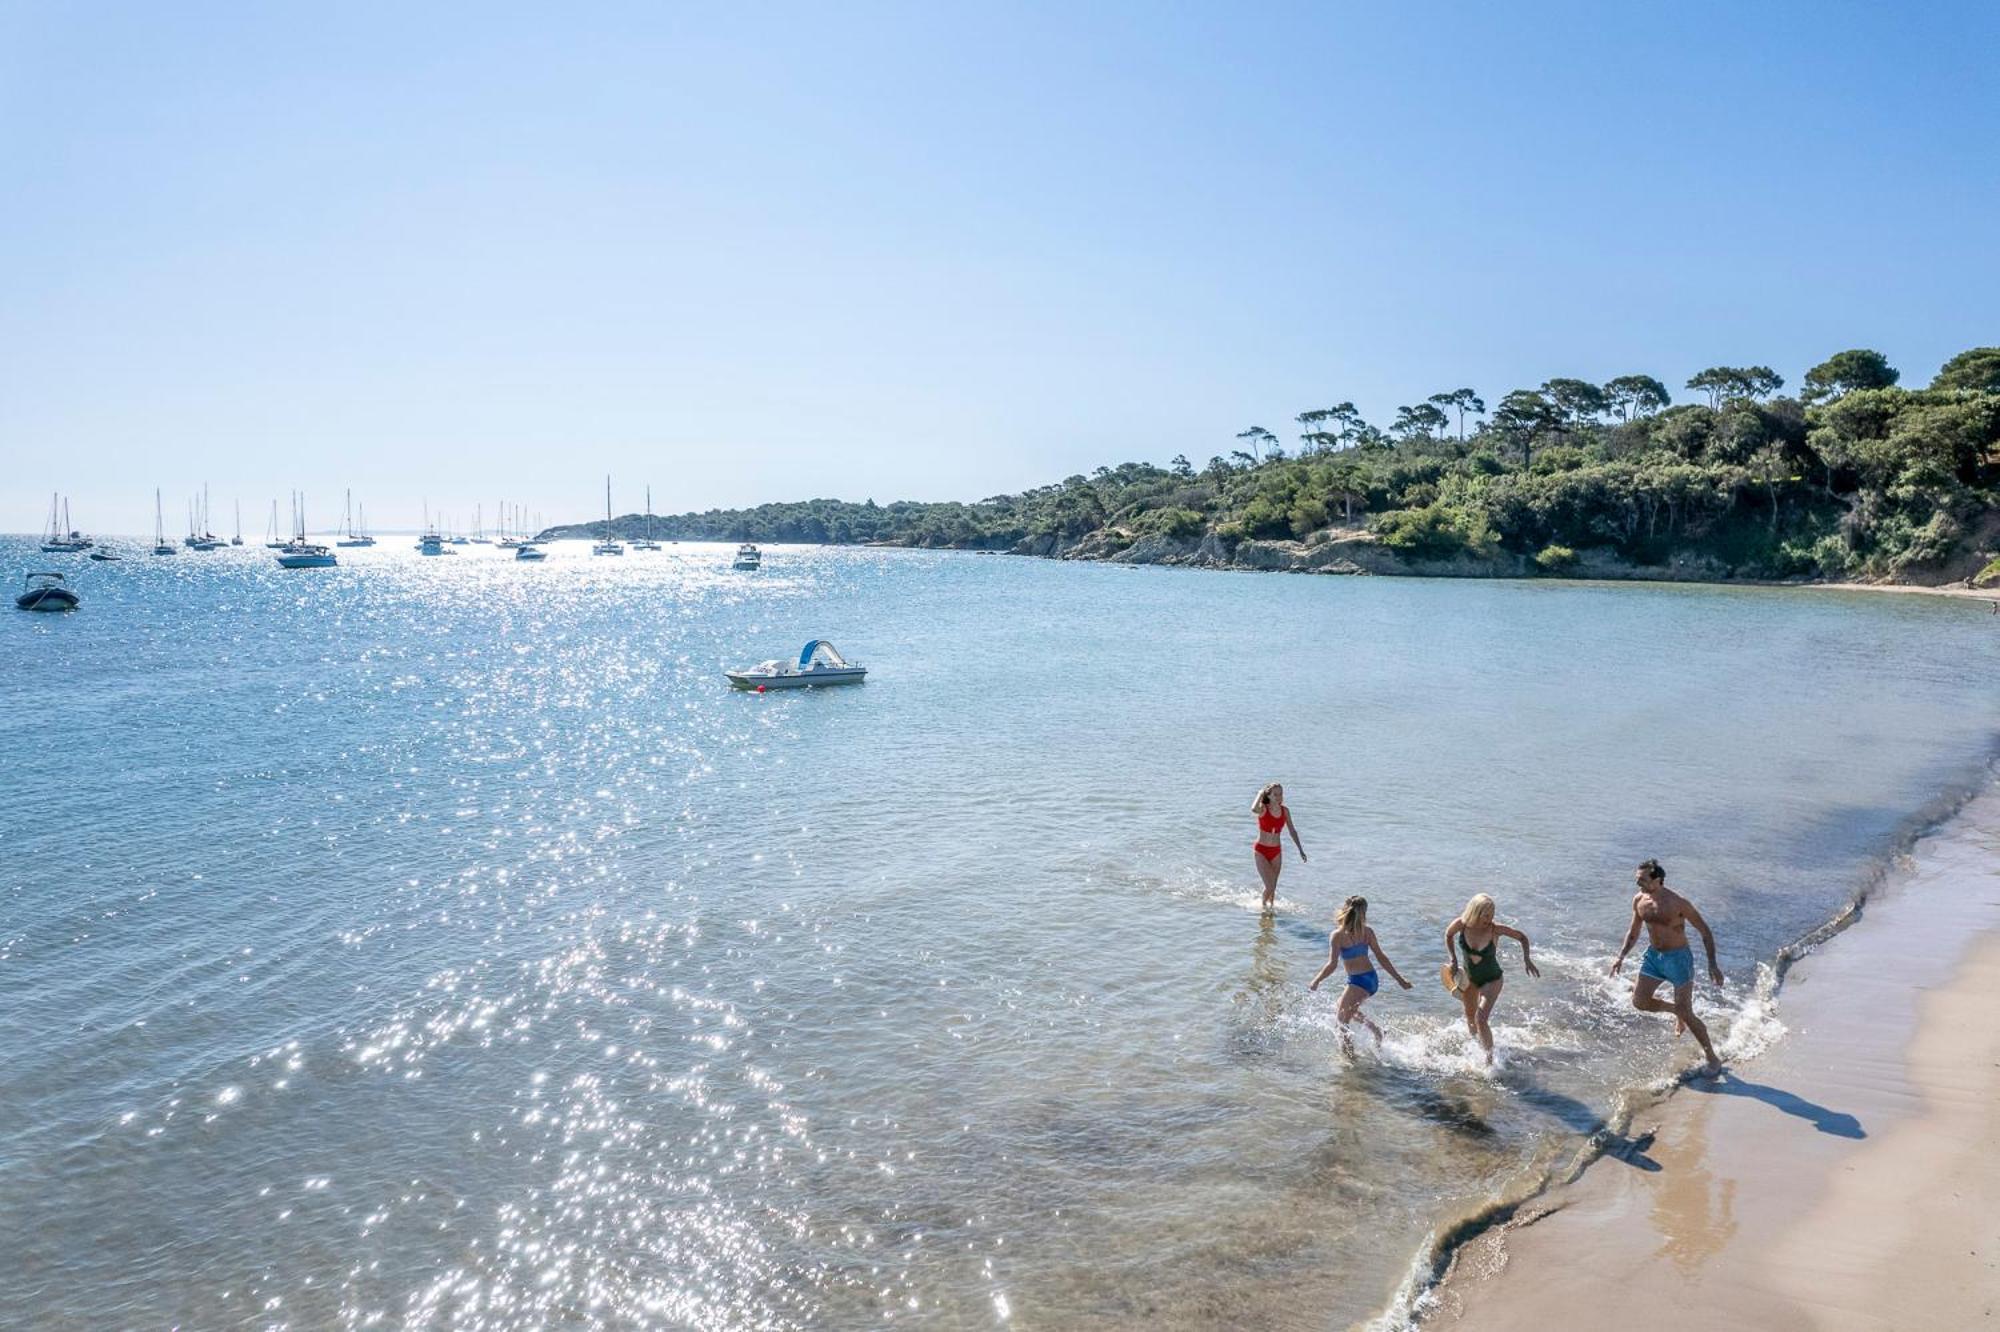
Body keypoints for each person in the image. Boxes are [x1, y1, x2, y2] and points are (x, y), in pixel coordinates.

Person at [1610, 858, 1726, 1076]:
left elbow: (1705, 932)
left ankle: (1712, 1057)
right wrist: (1621, 957)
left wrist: (1712, 964)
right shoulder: (1639, 900)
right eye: (1637, 880)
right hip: (1654, 957)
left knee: (1687, 1011)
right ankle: (1677, 1012)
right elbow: (1633, 931)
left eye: (1642, 880)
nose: (1638, 884)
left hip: (1678, 960)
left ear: (1658, 880)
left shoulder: (1678, 903)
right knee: (1640, 1002)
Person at [1308, 895, 1413, 1052]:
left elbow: (1332, 965)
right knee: (1341, 1008)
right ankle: (1376, 1030)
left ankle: (1350, 1059)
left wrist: (1316, 980)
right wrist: (1400, 980)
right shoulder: (1367, 932)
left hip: (1358, 982)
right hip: (1371, 979)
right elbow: (1381, 957)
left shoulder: (1337, 935)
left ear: (1344, 910)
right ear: (1364, 913)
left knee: (1341, 1022)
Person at [1444, 893, 1539, 1066]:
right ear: (1475, 912)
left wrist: (1527, 958)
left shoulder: (1495, 929)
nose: (1490, 918)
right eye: (1486, 914)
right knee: (1470, 1019)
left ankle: (1489, 1062)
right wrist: (1453, 959)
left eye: (1492, 914)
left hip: (1492, 980)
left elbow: (1522, 937)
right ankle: (1476, 1047)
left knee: (1481, 1018)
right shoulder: (1461, 925)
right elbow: (1448, 935)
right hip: (1470, 979)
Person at [1250, 782, 1306, 910]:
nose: (1279, 797)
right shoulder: (1263, 809)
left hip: (1276, 851)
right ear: (1268, 795)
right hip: (1261, 851)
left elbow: (1292, 831)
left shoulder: (1285, 811)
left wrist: (1300, 850)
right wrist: (1259, 794)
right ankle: (1263, 909)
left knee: (1273, 887)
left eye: (1281, 794)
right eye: (1275, 794)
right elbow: (1253, 809)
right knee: (1270, 886)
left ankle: (1271, 914)